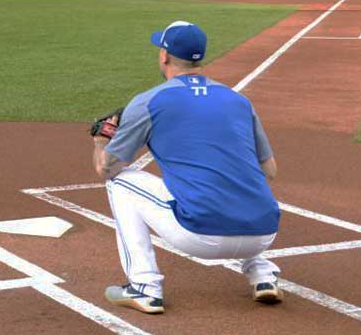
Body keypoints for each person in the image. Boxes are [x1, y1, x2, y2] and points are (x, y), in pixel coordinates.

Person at [92, 21, 281, 315]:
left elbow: (107, 169)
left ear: (164, 56)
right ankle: (262, 274)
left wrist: (100, 140)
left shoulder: (149, 101)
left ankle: (144, 287)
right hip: (264, 233)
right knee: (241, 178)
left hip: (200, 236)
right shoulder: (238, 100)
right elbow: (270, 170)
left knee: (119, 183)